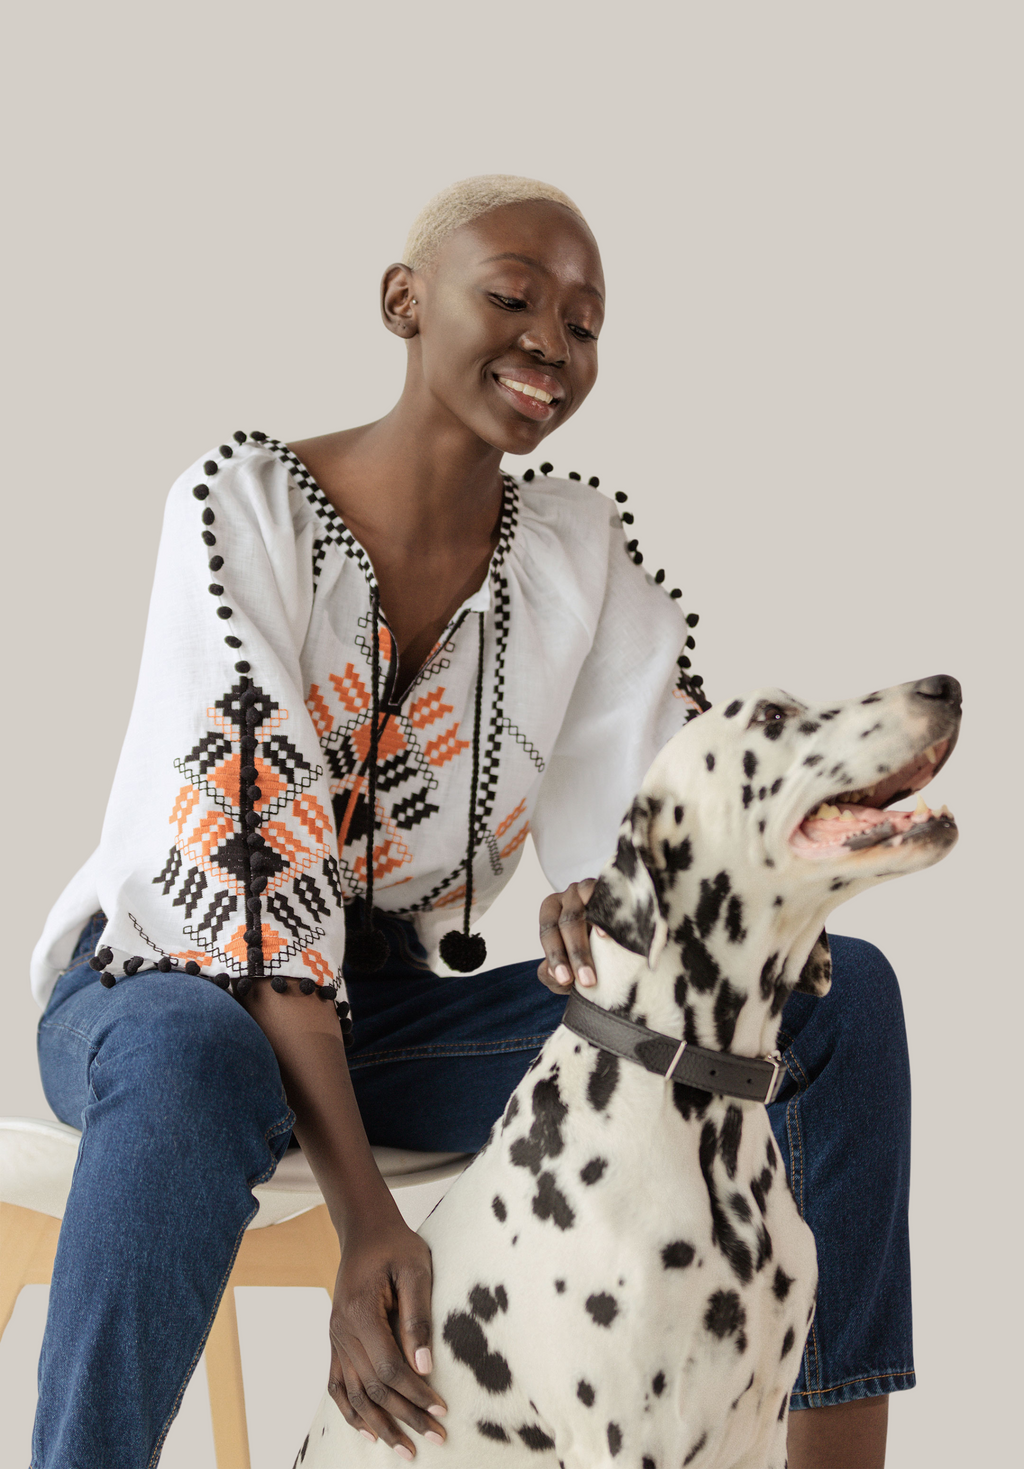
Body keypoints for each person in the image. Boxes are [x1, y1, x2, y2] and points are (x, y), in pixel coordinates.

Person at [30, 176, 909, 1469]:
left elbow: (659, 829)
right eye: (511, 295)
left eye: (586, 320)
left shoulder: (574, 553)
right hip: (164, 983)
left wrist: (620, 906)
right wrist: (368, 1223)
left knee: (833, 998)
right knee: (191, 1046)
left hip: (386, 1023)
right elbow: (254, 868)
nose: (551, 339)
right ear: (405, 302)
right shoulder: (242, 507)